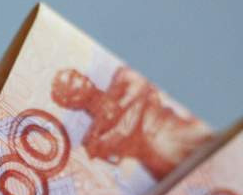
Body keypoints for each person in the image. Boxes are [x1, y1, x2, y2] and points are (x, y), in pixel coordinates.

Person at [50, 66, 210, 180]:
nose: (80, 77)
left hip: (187, 132)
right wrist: (137, 101)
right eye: (72, 80)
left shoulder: (121, 78)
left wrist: (123, 107)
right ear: (72, 100)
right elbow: (121, 134)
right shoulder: (92, 140)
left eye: (76, 73)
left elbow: (141, 81)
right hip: (164, 166)